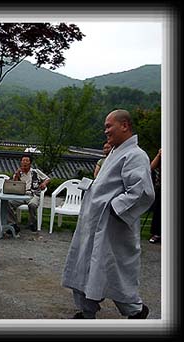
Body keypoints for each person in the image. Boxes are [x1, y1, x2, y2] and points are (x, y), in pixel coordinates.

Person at [62, 109, 155, 319]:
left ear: (125, 125)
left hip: (113, 226)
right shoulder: (115, 152)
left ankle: (135, 311)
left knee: (114, 271)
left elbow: (142, 192)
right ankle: (87, 312)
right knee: (86, 266)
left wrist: (115, 208)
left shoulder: (135, 155)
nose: (105, 131)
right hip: (95, 224)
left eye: (108, 126)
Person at [7, 154, 50, 232]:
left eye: (27, 161)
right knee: (8, 203)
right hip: (20, 195)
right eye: (23, 161)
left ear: (30, 163)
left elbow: (47, 179)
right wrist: (16, 175)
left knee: (32, 205)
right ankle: (13, 224)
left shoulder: (35, 172)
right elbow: (14, 184)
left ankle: (32, 223)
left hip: (32, 195)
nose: (25, 163)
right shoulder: (18, 173)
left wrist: (44, 184)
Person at [149, 148, 161, 244]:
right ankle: (156, 234)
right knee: (158, 211)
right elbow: (151, 168)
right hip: (162, 188)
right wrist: (159, 155)